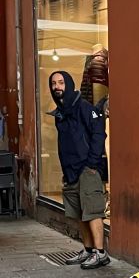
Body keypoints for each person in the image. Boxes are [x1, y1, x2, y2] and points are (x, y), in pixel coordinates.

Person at [48, 70, 110, 268]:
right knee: (79, 213)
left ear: (69, 84)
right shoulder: (61, 112)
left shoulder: (83, 107)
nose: (57, 87)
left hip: (87, 169)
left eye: (61, 82)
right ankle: (88, 250)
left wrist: (92, 163)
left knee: (92, 212)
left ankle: (101, 254)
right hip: (71, 171)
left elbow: (99, 133)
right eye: (53, 83)